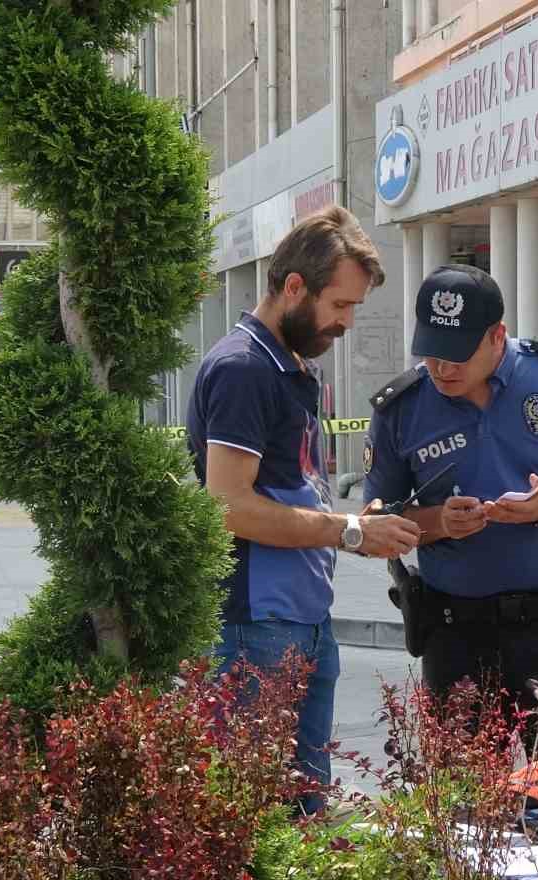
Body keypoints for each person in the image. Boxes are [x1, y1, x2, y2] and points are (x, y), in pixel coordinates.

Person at [187, 205, 422, 814]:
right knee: (261, 816)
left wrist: (363, 518)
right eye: (339, 306)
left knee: (304, 813)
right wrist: (349, 531)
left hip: (302, 619)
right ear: (294, 287)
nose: (345, 322)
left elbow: (298, 486)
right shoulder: (243, 369)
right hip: (256, 625)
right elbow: (228, 505)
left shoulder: (292, 367)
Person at [363, 263, 538, 751]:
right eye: (432, 352)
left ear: (497, 336)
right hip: (454, 632)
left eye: (457, 354)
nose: (442, 368)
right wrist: (438, 522)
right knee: (465, 810)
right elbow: (377, 521)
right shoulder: (402, 407)